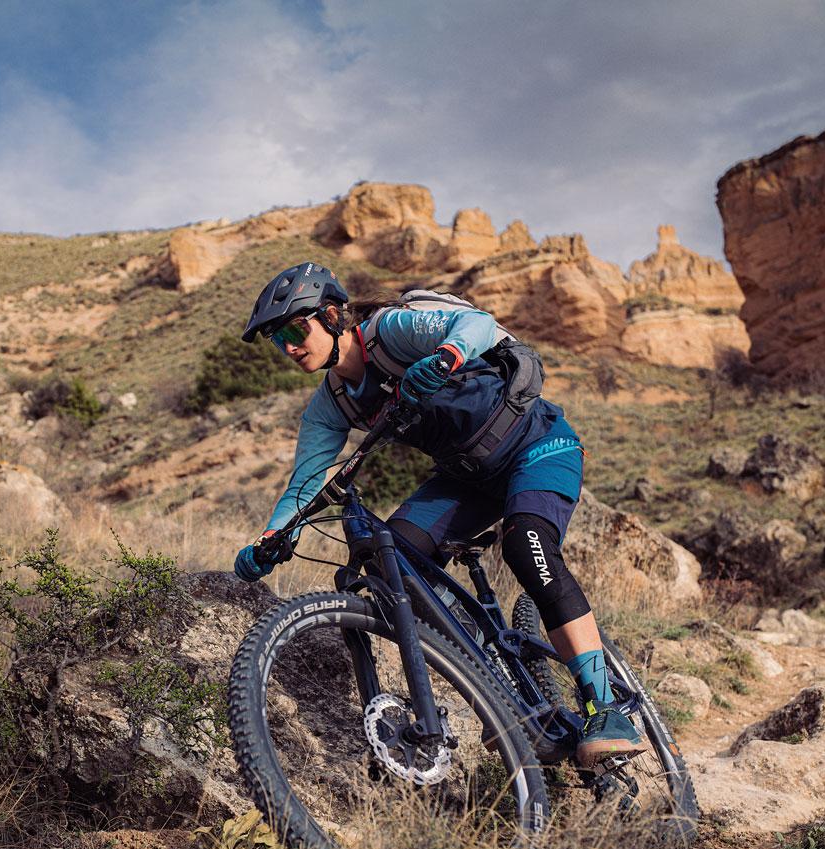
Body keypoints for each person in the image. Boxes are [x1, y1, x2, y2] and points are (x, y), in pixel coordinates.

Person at [231, 261, 642, 768]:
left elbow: (478, 326)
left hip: (537, 445)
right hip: (465, 477)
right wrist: (272, 537)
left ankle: (605, 707)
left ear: (334, 314)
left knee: (525, 546)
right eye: (280, 340)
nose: (291, 347)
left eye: (297, 330)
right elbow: (305, 480)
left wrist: (447, 355)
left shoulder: (389, 330)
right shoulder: (330, 403)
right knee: (392, 563)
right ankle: (494, 687)